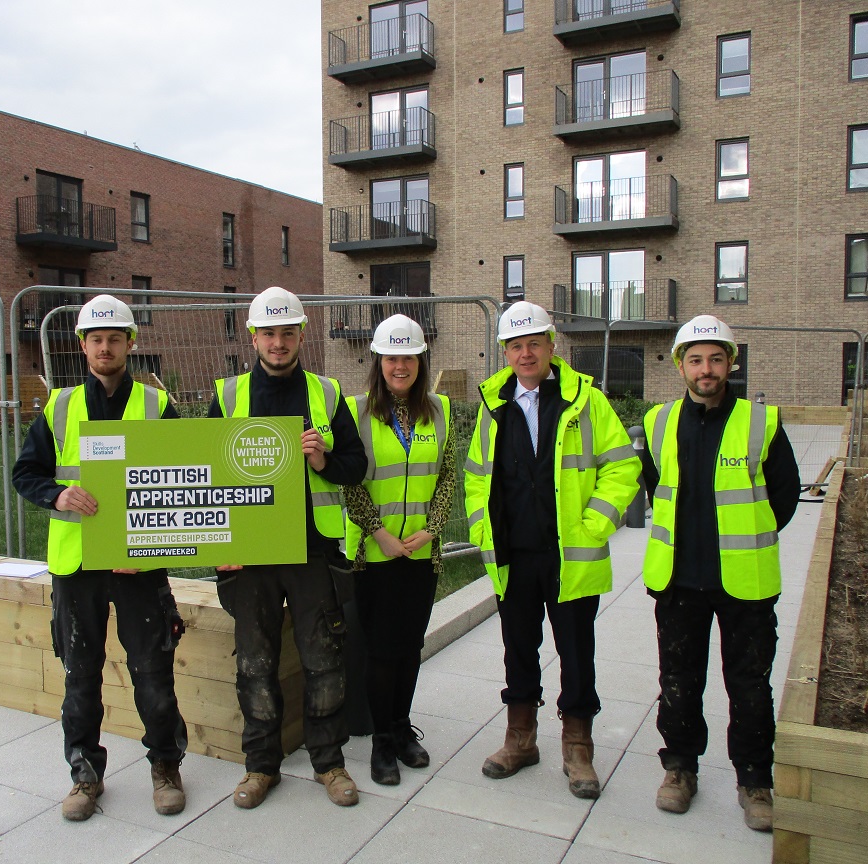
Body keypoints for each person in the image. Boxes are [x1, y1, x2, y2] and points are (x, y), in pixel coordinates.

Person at [12, 295, 189, 822]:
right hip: (78, 568)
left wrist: (153, 546)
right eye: (96, 339)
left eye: (115, 338)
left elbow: (187, 481)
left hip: (140, 567)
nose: (105, 347)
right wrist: (58, 495)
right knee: (80, 676)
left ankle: (165, 768)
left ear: (131, 344)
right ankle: (85, 777)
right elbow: (27, 474)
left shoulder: (157, 406)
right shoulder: (60, 406)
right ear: (82, 346)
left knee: (153, 674)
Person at [464, 301, 641, 799]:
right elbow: (476, 477)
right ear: (504, 351)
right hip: (513, 555)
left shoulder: (586, 400)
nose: (525, 354)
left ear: (551, 345)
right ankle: (520, 739)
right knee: (518, 651)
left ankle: (577, 747)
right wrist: (482, 532)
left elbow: (622, 466)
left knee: (576, 652)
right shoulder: (493, 403)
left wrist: (594, 525)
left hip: (571, 554)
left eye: (534, 344)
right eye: (516, 346)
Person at [208, 285, 367, 809]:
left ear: (302, 334)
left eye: (287, 332)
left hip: (311, 553)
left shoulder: (326, 393)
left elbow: (355, 468)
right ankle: (261, 767)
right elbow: (201, 475)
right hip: (250, 557)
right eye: (269, 333)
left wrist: (324, 461)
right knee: (255, 665)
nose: (278, 342)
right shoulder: (229, 396)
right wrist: (217, 546)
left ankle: (330, 762)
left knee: (324, 661)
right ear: (253, 336)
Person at [642, 315, 800, 832]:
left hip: (744, 583)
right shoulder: (659, 421)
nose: (705, 369)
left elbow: (784, 497)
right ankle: (680, 769)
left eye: (715, 359)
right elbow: (654, 488)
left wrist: (741, 537)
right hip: (679, 580)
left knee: (750, 685)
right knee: (679, 682)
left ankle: (755, 780)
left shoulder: (762, 423)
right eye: (695, 360)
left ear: (731, 363)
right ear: (680, 367)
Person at [341, 314, 456, 786]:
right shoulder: (356, 411)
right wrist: (378, 533)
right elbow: (348, 479)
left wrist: (431, 529)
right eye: (391, 357)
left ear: (420, 360)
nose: (400, 365)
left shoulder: (440, 409)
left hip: (421, 554)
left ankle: (402, 728)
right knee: (381, 652)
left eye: (408, 356)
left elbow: (449, 474)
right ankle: (382, 743)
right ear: (378, 361)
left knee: (410, 648)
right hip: (376, 555)